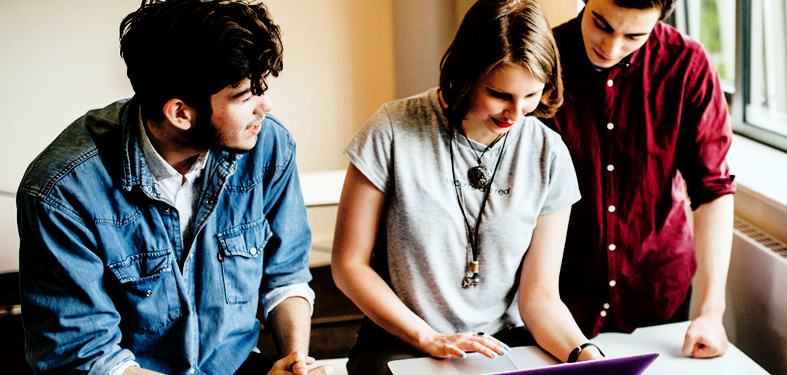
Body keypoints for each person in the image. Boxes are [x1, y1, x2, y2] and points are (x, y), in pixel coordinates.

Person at [16, 1, 329, 374]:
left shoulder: (268, 147)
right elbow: (88, 358)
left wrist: (295, 362)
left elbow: (285, 276)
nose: (267, 105)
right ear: (181, 113)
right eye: (246, 96)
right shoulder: (61, 192)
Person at [331, 0, 599, 373]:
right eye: (500, 94)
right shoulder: (392, 129)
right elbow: (348, 265)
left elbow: (539, 298)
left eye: (531, 96)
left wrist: (583, 353)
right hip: (402, 340)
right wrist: (429, 339)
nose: (516, 114)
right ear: (466, 72)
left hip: (500, 343)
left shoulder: (548, 152)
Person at [541, 0, 736, 359]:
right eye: (601, 24)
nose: (610, 47)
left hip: (658, 292)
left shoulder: (687, 64)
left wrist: (711, 312)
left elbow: (713, 190)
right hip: (556, 299)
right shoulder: (541, 60)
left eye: (634, 35)